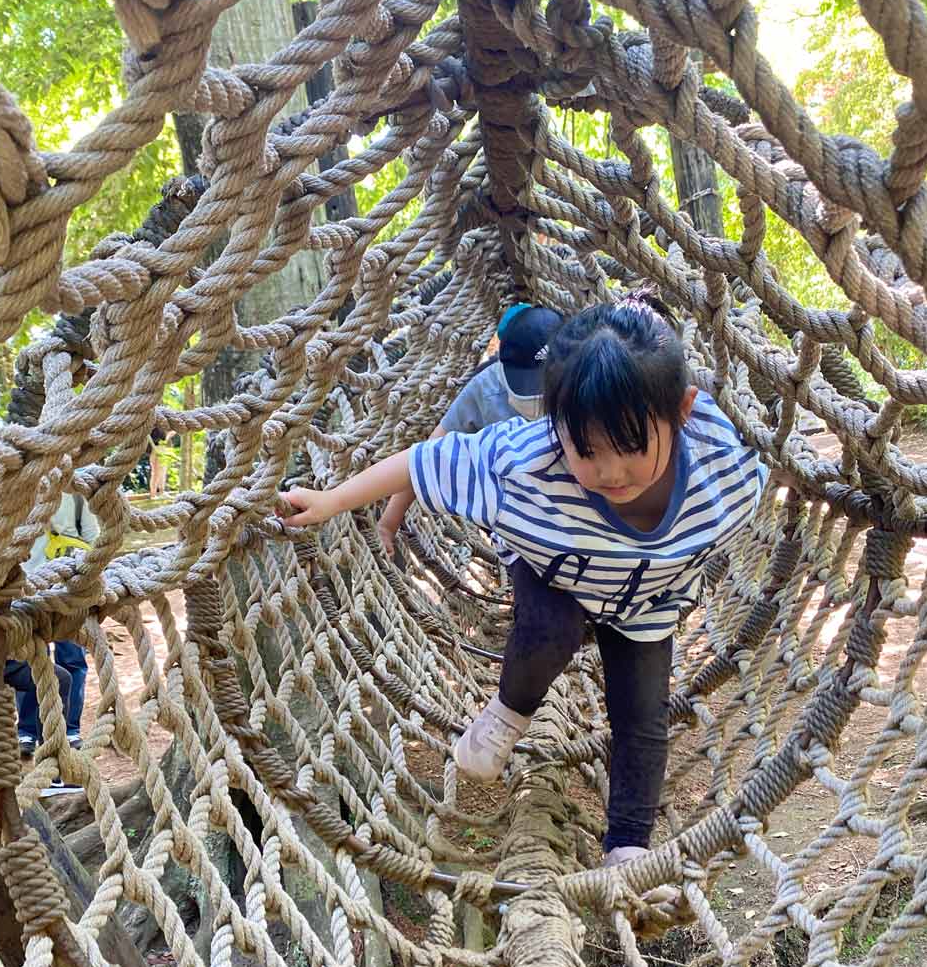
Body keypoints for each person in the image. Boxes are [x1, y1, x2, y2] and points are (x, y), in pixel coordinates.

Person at [277, 301, 767, 867]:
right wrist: (332, 502)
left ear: (681, 414)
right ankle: (508, 713)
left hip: (643, 599)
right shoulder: (526, 462)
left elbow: (776, 457)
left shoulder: (725, 472)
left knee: (642, 714)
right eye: (586, 451)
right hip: (550, 558)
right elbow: (424, 460)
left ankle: (627, 846)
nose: (609, 473)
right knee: (549, 629)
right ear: (552, 422)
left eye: (630, 448)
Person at [376, 304, 563, 555]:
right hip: (515, 505)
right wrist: (388, 523)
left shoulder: (586, 371)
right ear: (505, 367)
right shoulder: (486, 390)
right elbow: (427, 456)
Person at [16, 491, 99, 753]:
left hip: (68, 588)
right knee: (30, 660)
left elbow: (93, 538)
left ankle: (69, 729)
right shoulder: (23, 486)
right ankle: (27, 731)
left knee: (72, 660)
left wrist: (85, 581)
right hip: (29, 587)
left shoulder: (76, 493)